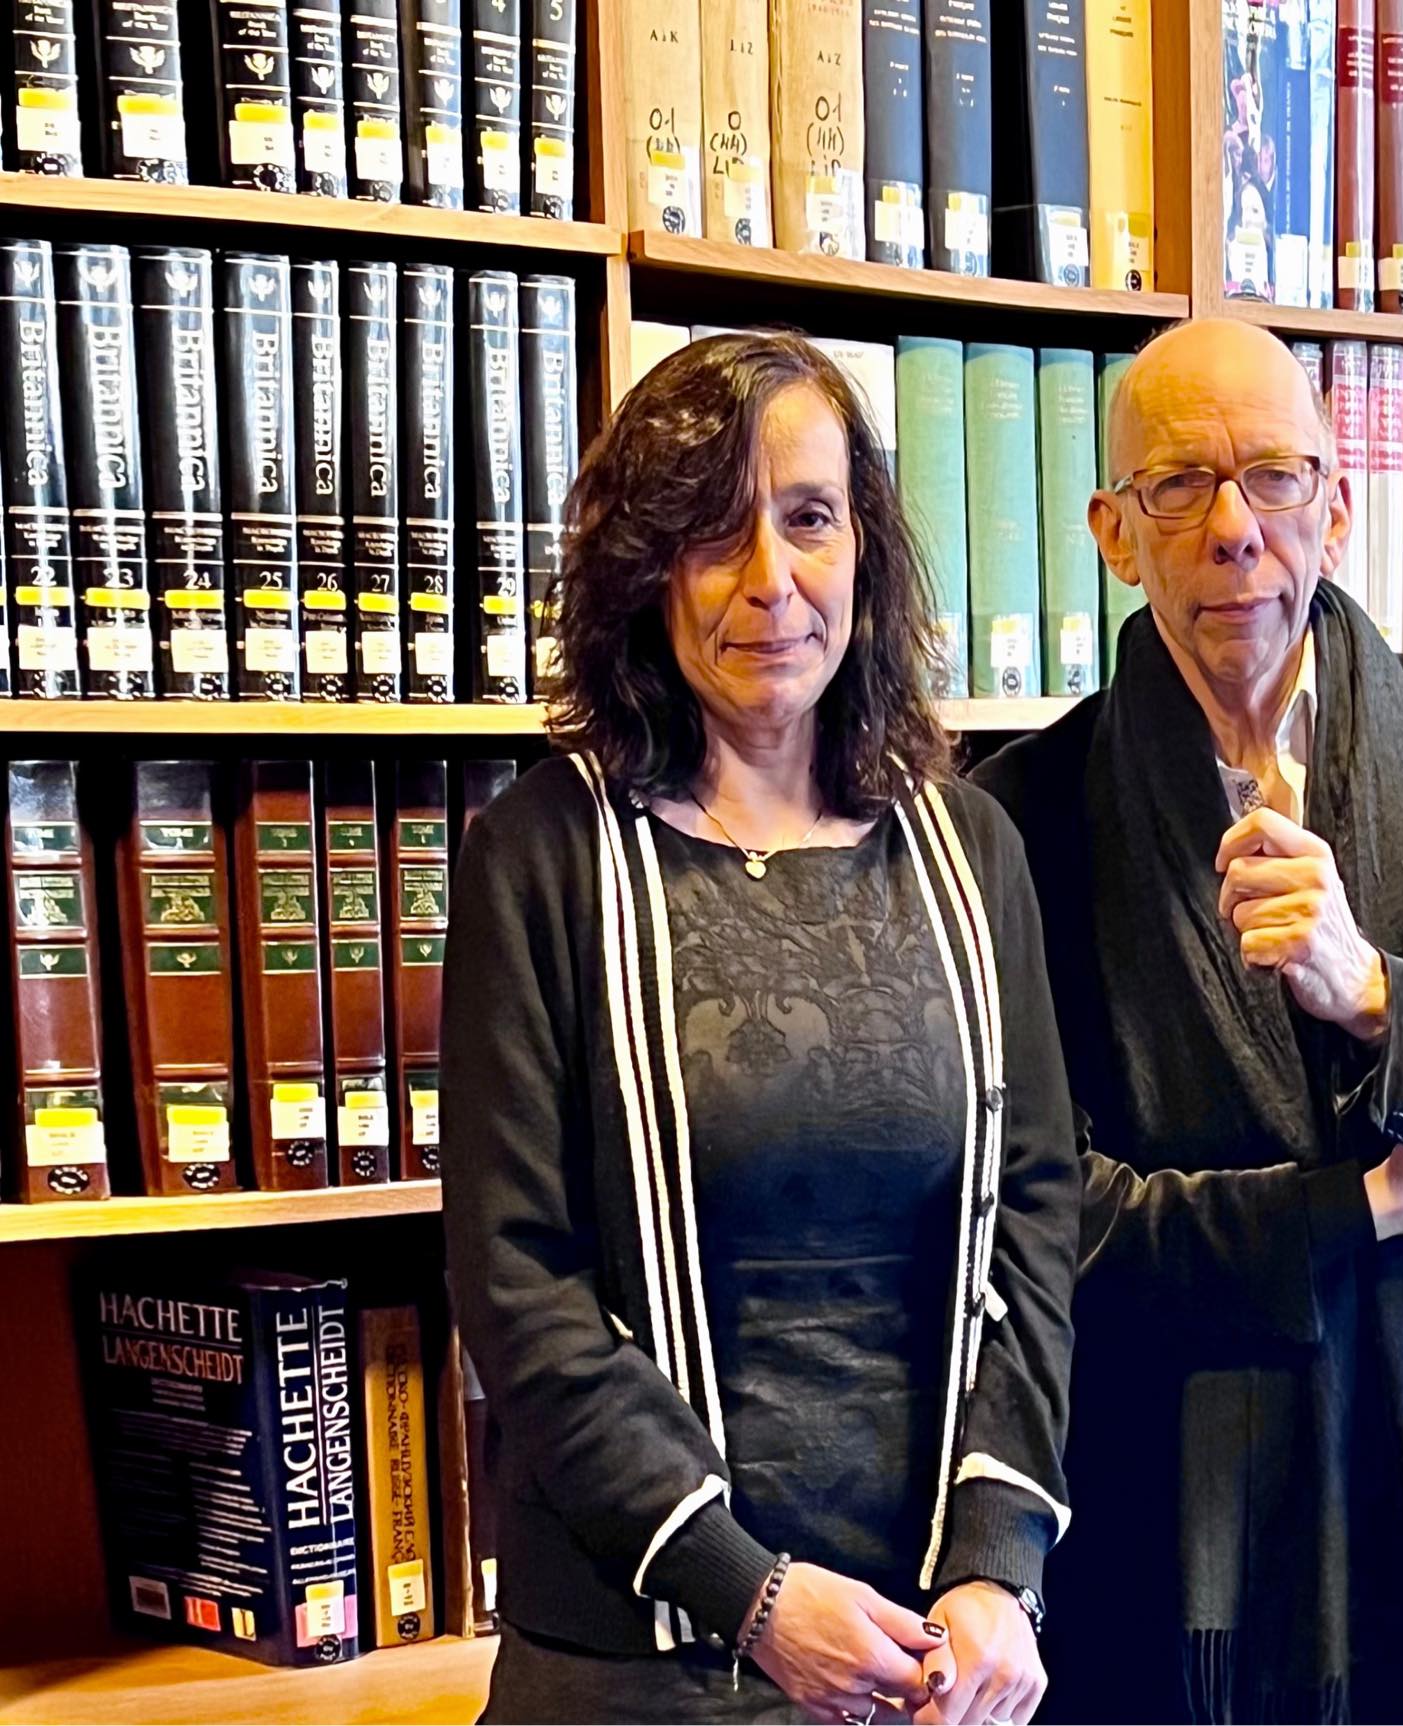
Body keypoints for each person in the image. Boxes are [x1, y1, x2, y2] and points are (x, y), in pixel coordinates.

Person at [974, 318, 1403, 1725]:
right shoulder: (1022, 819)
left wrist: (1383, 994)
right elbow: (1047, 1231)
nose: (1235, 528)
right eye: (1181, 485)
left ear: (1336, 509)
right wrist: (1355, 1210)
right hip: (1167, 1563)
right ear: (1115, 534)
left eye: (1275, 478)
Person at [443, 332, 1080, 1726]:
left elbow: (1036, 1217)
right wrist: (748, 1591)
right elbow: (516, 1279)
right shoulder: (540, 856)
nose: (771, 581)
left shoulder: (973, 850)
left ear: (865, 547)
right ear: (644, 569)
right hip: (636, 1668)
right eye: (714, 534)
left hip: (929, 1655)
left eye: (808, 518)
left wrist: (998, 1562)